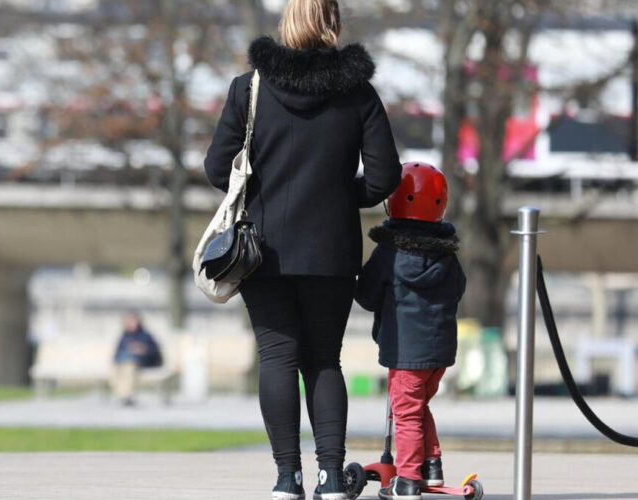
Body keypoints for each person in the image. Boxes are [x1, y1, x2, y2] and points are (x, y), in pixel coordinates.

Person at [204, 0, 402, 497]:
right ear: (333, 24)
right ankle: (332, 477)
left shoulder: (248, 90)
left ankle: (286, 478)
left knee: (276, 356)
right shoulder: (358, 94)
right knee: (324, 359)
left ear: (285, 23)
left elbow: (215, 169)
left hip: (261, 248)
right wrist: (339, 196)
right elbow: (384, 177)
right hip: (332, 250)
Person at [355, 163, 467, 500]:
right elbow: (459, 289)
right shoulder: (448, 257)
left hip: (406, 352)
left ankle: (406, 479)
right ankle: (431, 466)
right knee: (418, 408)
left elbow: (367, 295)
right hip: (440, 353)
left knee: (404, 413)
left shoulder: (389, 253)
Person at [110, 313, 162, 407]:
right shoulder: (124, 336)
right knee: (115, 370)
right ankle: (124, 395)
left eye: (133, 321)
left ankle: (126, 396)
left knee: (129, 368)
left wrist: (142, 349)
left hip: (140, 362)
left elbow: (154, 350)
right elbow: (117, 353)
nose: (131, 323)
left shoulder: (145, 335)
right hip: (122, 362)